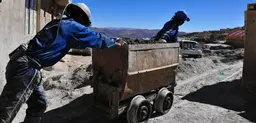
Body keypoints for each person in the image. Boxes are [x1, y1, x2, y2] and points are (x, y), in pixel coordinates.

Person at [0, 3, 124, 123]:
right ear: (80, 17)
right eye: (84, 22)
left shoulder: (58, 24)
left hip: (21, 63)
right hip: (28, 68)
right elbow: (95, 37)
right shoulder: (72, 26)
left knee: (39, 104)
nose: (84, 26)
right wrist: (114, 43)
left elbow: (71, 42)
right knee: (6, 111)